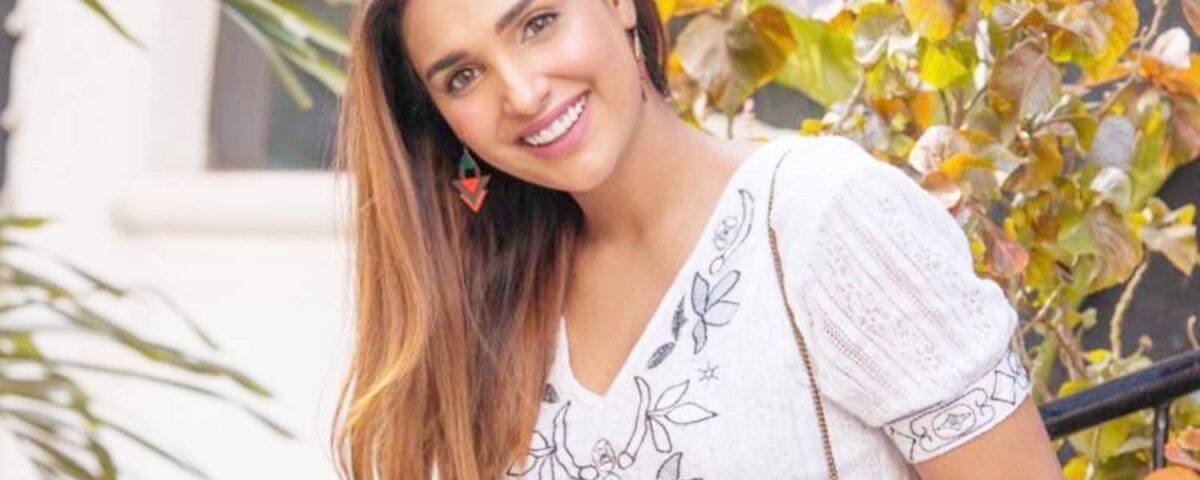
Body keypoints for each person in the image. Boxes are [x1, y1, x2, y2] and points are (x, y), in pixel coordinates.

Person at [329, 0, 1065, 479]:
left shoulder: (822, 216)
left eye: (538, 22)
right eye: (463, 76)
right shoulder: (491, 307)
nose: (521, 93)